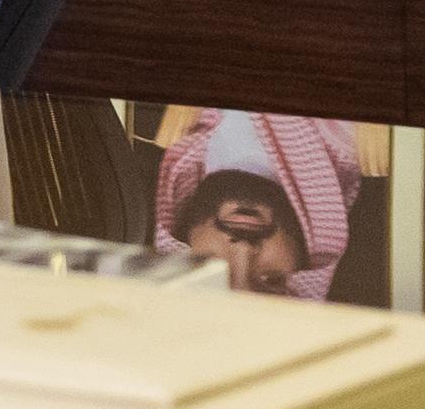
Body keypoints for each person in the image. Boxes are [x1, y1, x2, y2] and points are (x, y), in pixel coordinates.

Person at [152, 109, 359, 299]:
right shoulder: (351, 134)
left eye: (215, 275)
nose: (243, 247)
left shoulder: (159, 123)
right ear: (306, 255)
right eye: (271, 279)